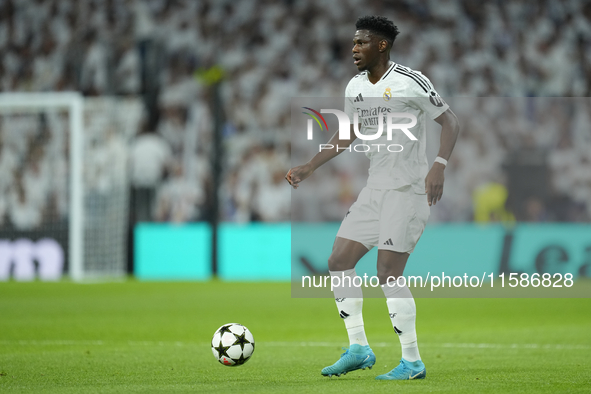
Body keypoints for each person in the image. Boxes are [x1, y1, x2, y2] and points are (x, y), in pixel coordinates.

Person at [286, 16, 459, 381]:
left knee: (388, 273)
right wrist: (310, 166)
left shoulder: (410, 81)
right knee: (338, 261)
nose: (354, 49)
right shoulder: (355, 87)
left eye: (361, 43)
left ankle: (412, 362)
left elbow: (451, 122)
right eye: (353, 43)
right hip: (374, 189)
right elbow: (347, 134)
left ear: (382, 45)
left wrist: (439, 165)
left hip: (406, 191)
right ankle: (359, 349)